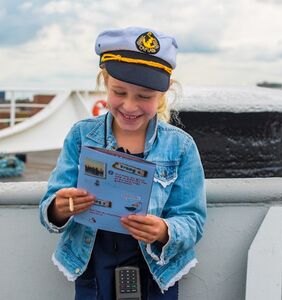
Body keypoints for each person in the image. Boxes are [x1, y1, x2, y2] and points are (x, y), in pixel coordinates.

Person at [39, 26, 206, 300]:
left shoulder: (181, 146)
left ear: (163, 95)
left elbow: (193, 219)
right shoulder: (81, 136)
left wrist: (165, 230)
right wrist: (60, 207)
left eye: (144, 96)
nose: (130, 106)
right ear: (104, 84)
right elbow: (50, 207)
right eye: (119, 92)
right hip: (92, 270)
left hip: (157, 273)